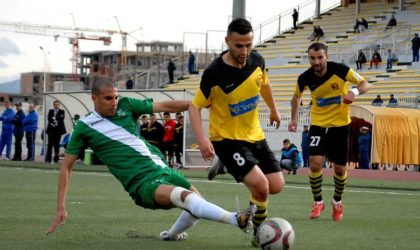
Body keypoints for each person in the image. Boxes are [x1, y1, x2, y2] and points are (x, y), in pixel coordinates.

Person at [45, 78, 254, 241]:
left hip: (162, 168)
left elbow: (165, 106)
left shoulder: (126, 105)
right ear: (94, 98)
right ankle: (237, 219)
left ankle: (171, 235)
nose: (114, 102)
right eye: (108, 98)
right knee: (186, 198)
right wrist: (60, 207)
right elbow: (67, 167)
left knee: (197, 204)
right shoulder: (84, 127)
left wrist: (197, 105)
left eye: (116, 97)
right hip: (141, 182)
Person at [188, 18, 285, 246]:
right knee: (261, 187)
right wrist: (202, 140)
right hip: (227, 139)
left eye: (249, 45)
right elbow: (194, 107)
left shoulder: (257, 60)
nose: (244, 51)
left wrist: (273, 109)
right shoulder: (214, 73)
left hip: (255, 135)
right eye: (239, 45)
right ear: (227, 41)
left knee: (276, 186)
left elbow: (264, 84)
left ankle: (226, 166)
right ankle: (259, 234)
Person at [288, 42, 370, 221]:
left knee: (340, 169)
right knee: (315, 163)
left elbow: (365, 84)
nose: (316, 61)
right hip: (318, 124)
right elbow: (295, 97)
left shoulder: (340, 70)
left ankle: (337, 202)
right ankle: (318, 202)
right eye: (312, 58)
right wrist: (293, 118)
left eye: (319, 57)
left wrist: (354, 92)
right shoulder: (305, 78)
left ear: (326, 57)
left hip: (340, 126)